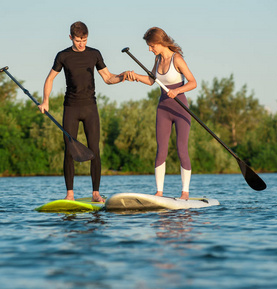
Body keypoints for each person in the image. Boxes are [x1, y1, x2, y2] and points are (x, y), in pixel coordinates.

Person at [38, 21, 127, 202]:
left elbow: (108, 78)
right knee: (70, 150)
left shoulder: (94, 54)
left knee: (94, 149)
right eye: (78, 40)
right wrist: (45, 101)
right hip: (71, 107)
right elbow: (49, 79)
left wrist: (124, 76)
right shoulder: (63, 56)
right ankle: (70, 194)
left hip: (90, 108)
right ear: (71, 37)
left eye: (84, 40)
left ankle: (96, 193)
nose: (81, 43)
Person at [127, 27, 197, 200]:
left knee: (182, 149)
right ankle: (159, 192)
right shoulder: (158, 59)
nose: (150, 49)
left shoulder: (177, 59)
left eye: (151, 46)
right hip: (163, 109)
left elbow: (193, 82)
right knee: (161, 150)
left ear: (159, 43)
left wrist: (178, 90)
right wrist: (135, 76)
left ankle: (185, 193)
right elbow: (152, 80)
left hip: (181, 108)